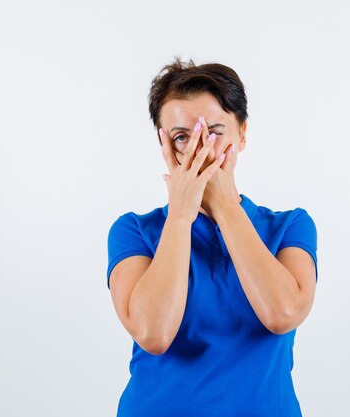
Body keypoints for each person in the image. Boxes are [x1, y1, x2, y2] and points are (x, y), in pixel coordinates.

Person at [106, 57, 318, 417]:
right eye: (181, 137)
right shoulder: (134, 232)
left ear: (243, 135)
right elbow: (153, 333)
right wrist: (181, 215)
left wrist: (224, 207)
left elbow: (283, 313)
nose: (197, 150)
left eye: (214, 132)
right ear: (164, 146)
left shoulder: (290, 227)